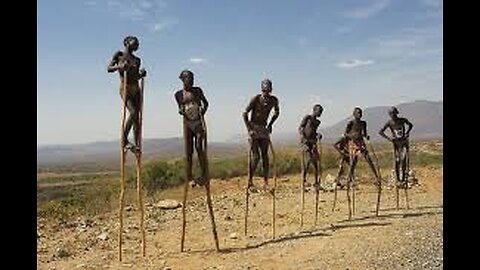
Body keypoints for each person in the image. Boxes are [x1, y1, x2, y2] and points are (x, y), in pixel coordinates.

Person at [107, 35, 147, 153]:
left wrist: (141, 74)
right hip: (125, 88)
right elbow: (109, 68)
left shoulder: (137, 60)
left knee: (137, 117)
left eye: (138, 43)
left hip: (136, 88)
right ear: (127, 42)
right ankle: (124, 140)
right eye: (135, 41)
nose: (137, 44)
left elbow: (135, 77)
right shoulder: (119, 55)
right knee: (133, 112)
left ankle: (137, 143)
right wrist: (120, 66)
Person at [242, 79, 280, 192]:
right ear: (262, 89)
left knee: (265, 156)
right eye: (265, 89)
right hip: (254, 127)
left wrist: (270, 125)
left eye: (268, 89)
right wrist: (249, 129)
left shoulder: (274, 100)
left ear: (271, 89)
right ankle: (249, 181)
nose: (267, 92)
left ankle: (266, 182)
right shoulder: (256, 99)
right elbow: (245, 113)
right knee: (256, 157)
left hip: (263, 129)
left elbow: (277, 112)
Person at [174, 70, 209, 186]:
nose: (192, 81)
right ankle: (189, 177)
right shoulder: (178, 94)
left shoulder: (198, 91)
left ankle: (204, 174)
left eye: (193, 78)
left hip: (198, 122)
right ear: (183, 80)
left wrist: (203, 111)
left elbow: (206, 103)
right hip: (187, 124)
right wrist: (181, 111)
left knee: (199, 147)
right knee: (189, 152)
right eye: (189, 78)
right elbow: (180, 108)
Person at [344, 107, 381, 186]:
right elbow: (345, 134)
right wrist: (352, 136)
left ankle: (377, 177)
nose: (359, 114)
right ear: (354, 114)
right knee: (353, 162)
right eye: (358, 113)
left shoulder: (363, 123)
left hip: (361, 142)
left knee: (368, 158)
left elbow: (364, 133)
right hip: (353, 143)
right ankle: (349, 179)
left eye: (360, 113)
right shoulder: (350, 123)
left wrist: (366, 136)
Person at [379, 106, 413, 188]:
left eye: (394, 113)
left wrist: (407, 133)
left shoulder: (402, 120)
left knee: (404, 160)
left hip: (404, 142)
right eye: (391, 114)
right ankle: (398, 180)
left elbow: (410, 125)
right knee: (397, 161)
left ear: (396, 113)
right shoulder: (389, 123)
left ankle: (403, 179)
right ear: (389, 114)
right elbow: (380, 132)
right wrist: (389, 138)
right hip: (396, 145)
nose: (393, 115)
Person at [298, 104, 323, 190]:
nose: (320, 113)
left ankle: (316, 182)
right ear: (314, 110)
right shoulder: (307, 118)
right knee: (309, 160)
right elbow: (301, 127)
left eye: (321, 112)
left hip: (313, 142)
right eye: (319, 111)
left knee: (315, 163)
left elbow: (314, 132)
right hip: (305, 142)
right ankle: (303, 180)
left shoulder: (318, 122)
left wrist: (318, 135)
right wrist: (302, 137)